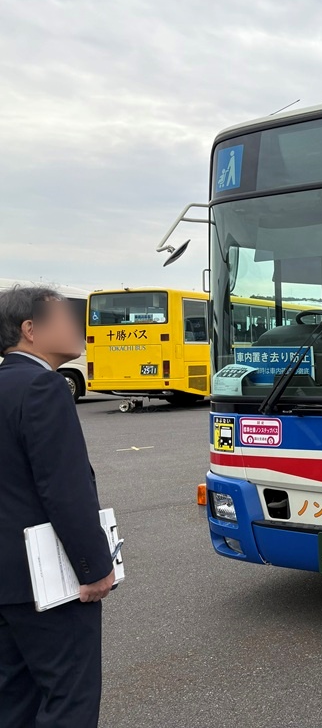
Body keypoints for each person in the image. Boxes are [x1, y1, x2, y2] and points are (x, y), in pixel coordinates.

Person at [0, 285, 115, 728]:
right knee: (70, 698)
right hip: (45, 583)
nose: (77, 326)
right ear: (31, 330)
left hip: (5, 584)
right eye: (65, 318)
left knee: (14, 699)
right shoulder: (43, 387)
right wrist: (95, 568)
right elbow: (64, 489)